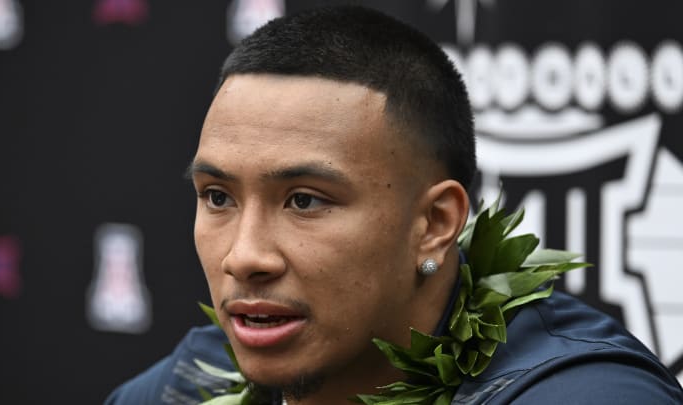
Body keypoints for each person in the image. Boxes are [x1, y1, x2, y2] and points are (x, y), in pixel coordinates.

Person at [105, 6, 683, 405]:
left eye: (305, 200)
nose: (245, 256)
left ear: (433, 225)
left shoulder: (584, 395)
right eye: (218, 196)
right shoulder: (188, 385)